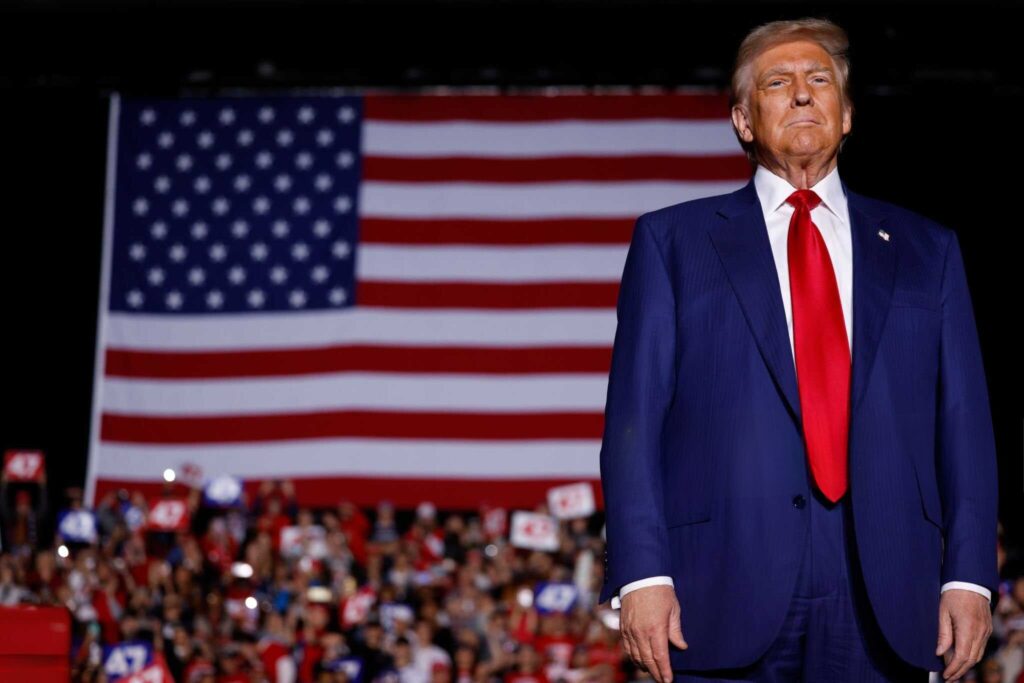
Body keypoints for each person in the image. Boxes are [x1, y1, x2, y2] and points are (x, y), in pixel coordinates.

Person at [597, 16, 999, 683]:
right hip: (718, 585)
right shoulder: (673, 243)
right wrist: (641, 571)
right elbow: (633, 424)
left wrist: (969, 576)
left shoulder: (930, 249)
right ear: (743, 121)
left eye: (820, 81)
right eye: (779, 82)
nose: (804, 94)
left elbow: (964, 424)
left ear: (846, 117)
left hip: (887, 587)